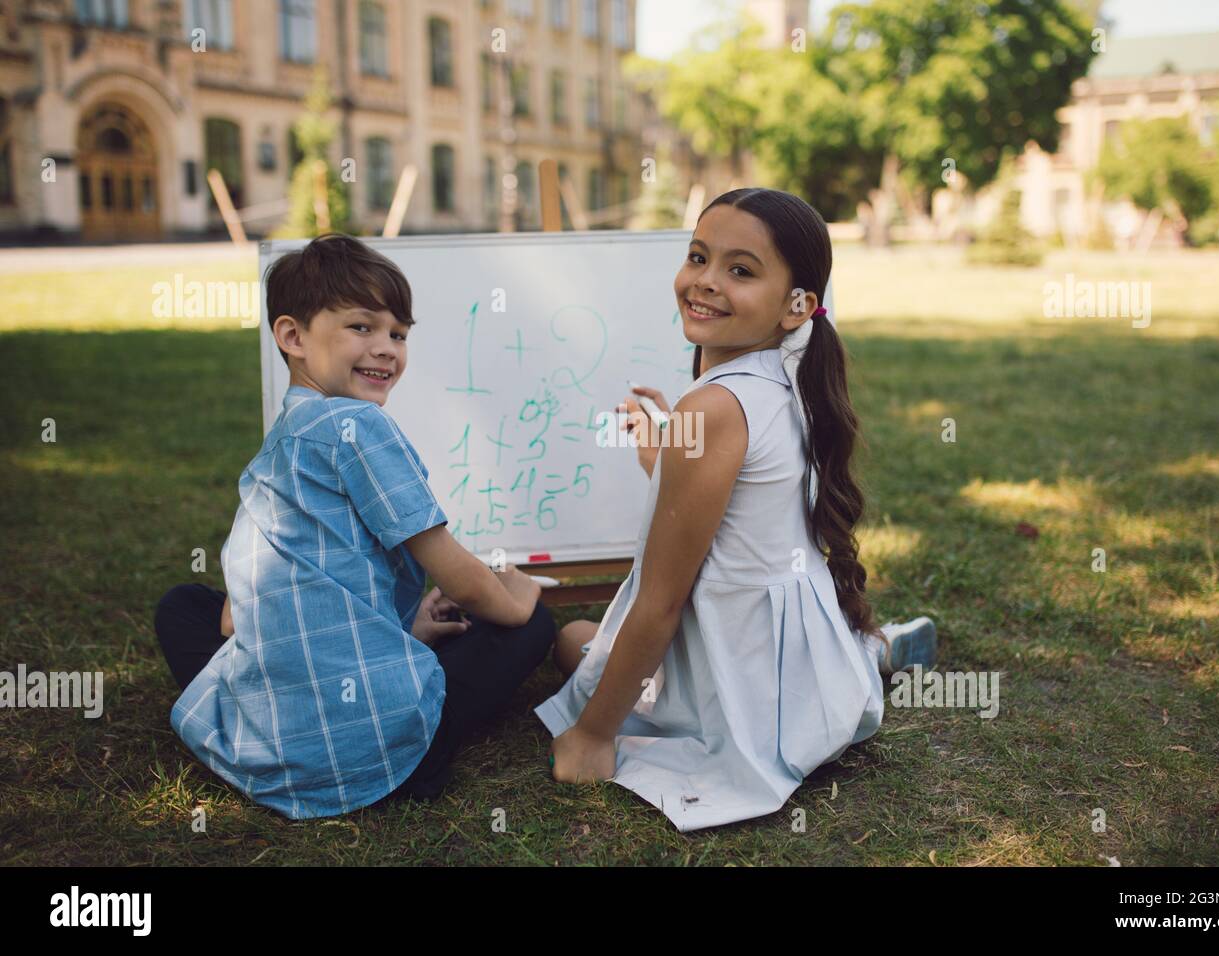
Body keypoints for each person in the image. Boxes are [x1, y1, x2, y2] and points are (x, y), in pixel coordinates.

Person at [535, 188, 936, 831]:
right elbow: (743, 504)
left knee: (573, 642)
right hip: (800, 659)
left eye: (740, 270)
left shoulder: (713, 410)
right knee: (586, 643)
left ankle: (868, 654)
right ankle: (869, 653)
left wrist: (590, 736)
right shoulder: (790, 375)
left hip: (744, 680)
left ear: (796, 304)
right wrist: (667, 457)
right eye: (698, 257)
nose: (705, 282)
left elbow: (662, 601)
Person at [153, 233, 555, 819]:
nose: (386, 348)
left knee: (182, 604)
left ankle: (260, 731)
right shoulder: (362, 427)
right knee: (526, 627)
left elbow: (241, 611)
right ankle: (397, 749)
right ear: (292, 337)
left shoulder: (285, 435)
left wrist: (402, 623)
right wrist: (520, 603)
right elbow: (461, 579)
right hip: (383, 749)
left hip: (271, 738)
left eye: (398, 333)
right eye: (362, 328)